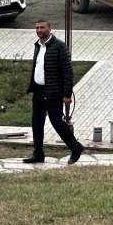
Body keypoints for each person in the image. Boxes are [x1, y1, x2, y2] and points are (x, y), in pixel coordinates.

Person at [23, 18, 84, 165]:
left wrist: (67, 94)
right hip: (38, 90)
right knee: (36, 123)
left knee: (57, 122)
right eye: (37, 28)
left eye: (42, 27)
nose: (39, 30)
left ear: (49, 29)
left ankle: (75, 147)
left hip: (53, 92)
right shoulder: (37, 46)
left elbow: (68, 72)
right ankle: (38, 153)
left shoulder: (59, 47)